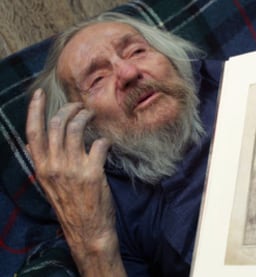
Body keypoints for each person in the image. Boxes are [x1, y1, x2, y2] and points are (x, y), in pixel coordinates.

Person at [25, 12, 223, 276]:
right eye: (97, 80)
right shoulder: (105, 206)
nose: (128, 72)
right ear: (80, 124)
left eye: (137, 51)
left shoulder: (227, 78)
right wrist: (92, 244)